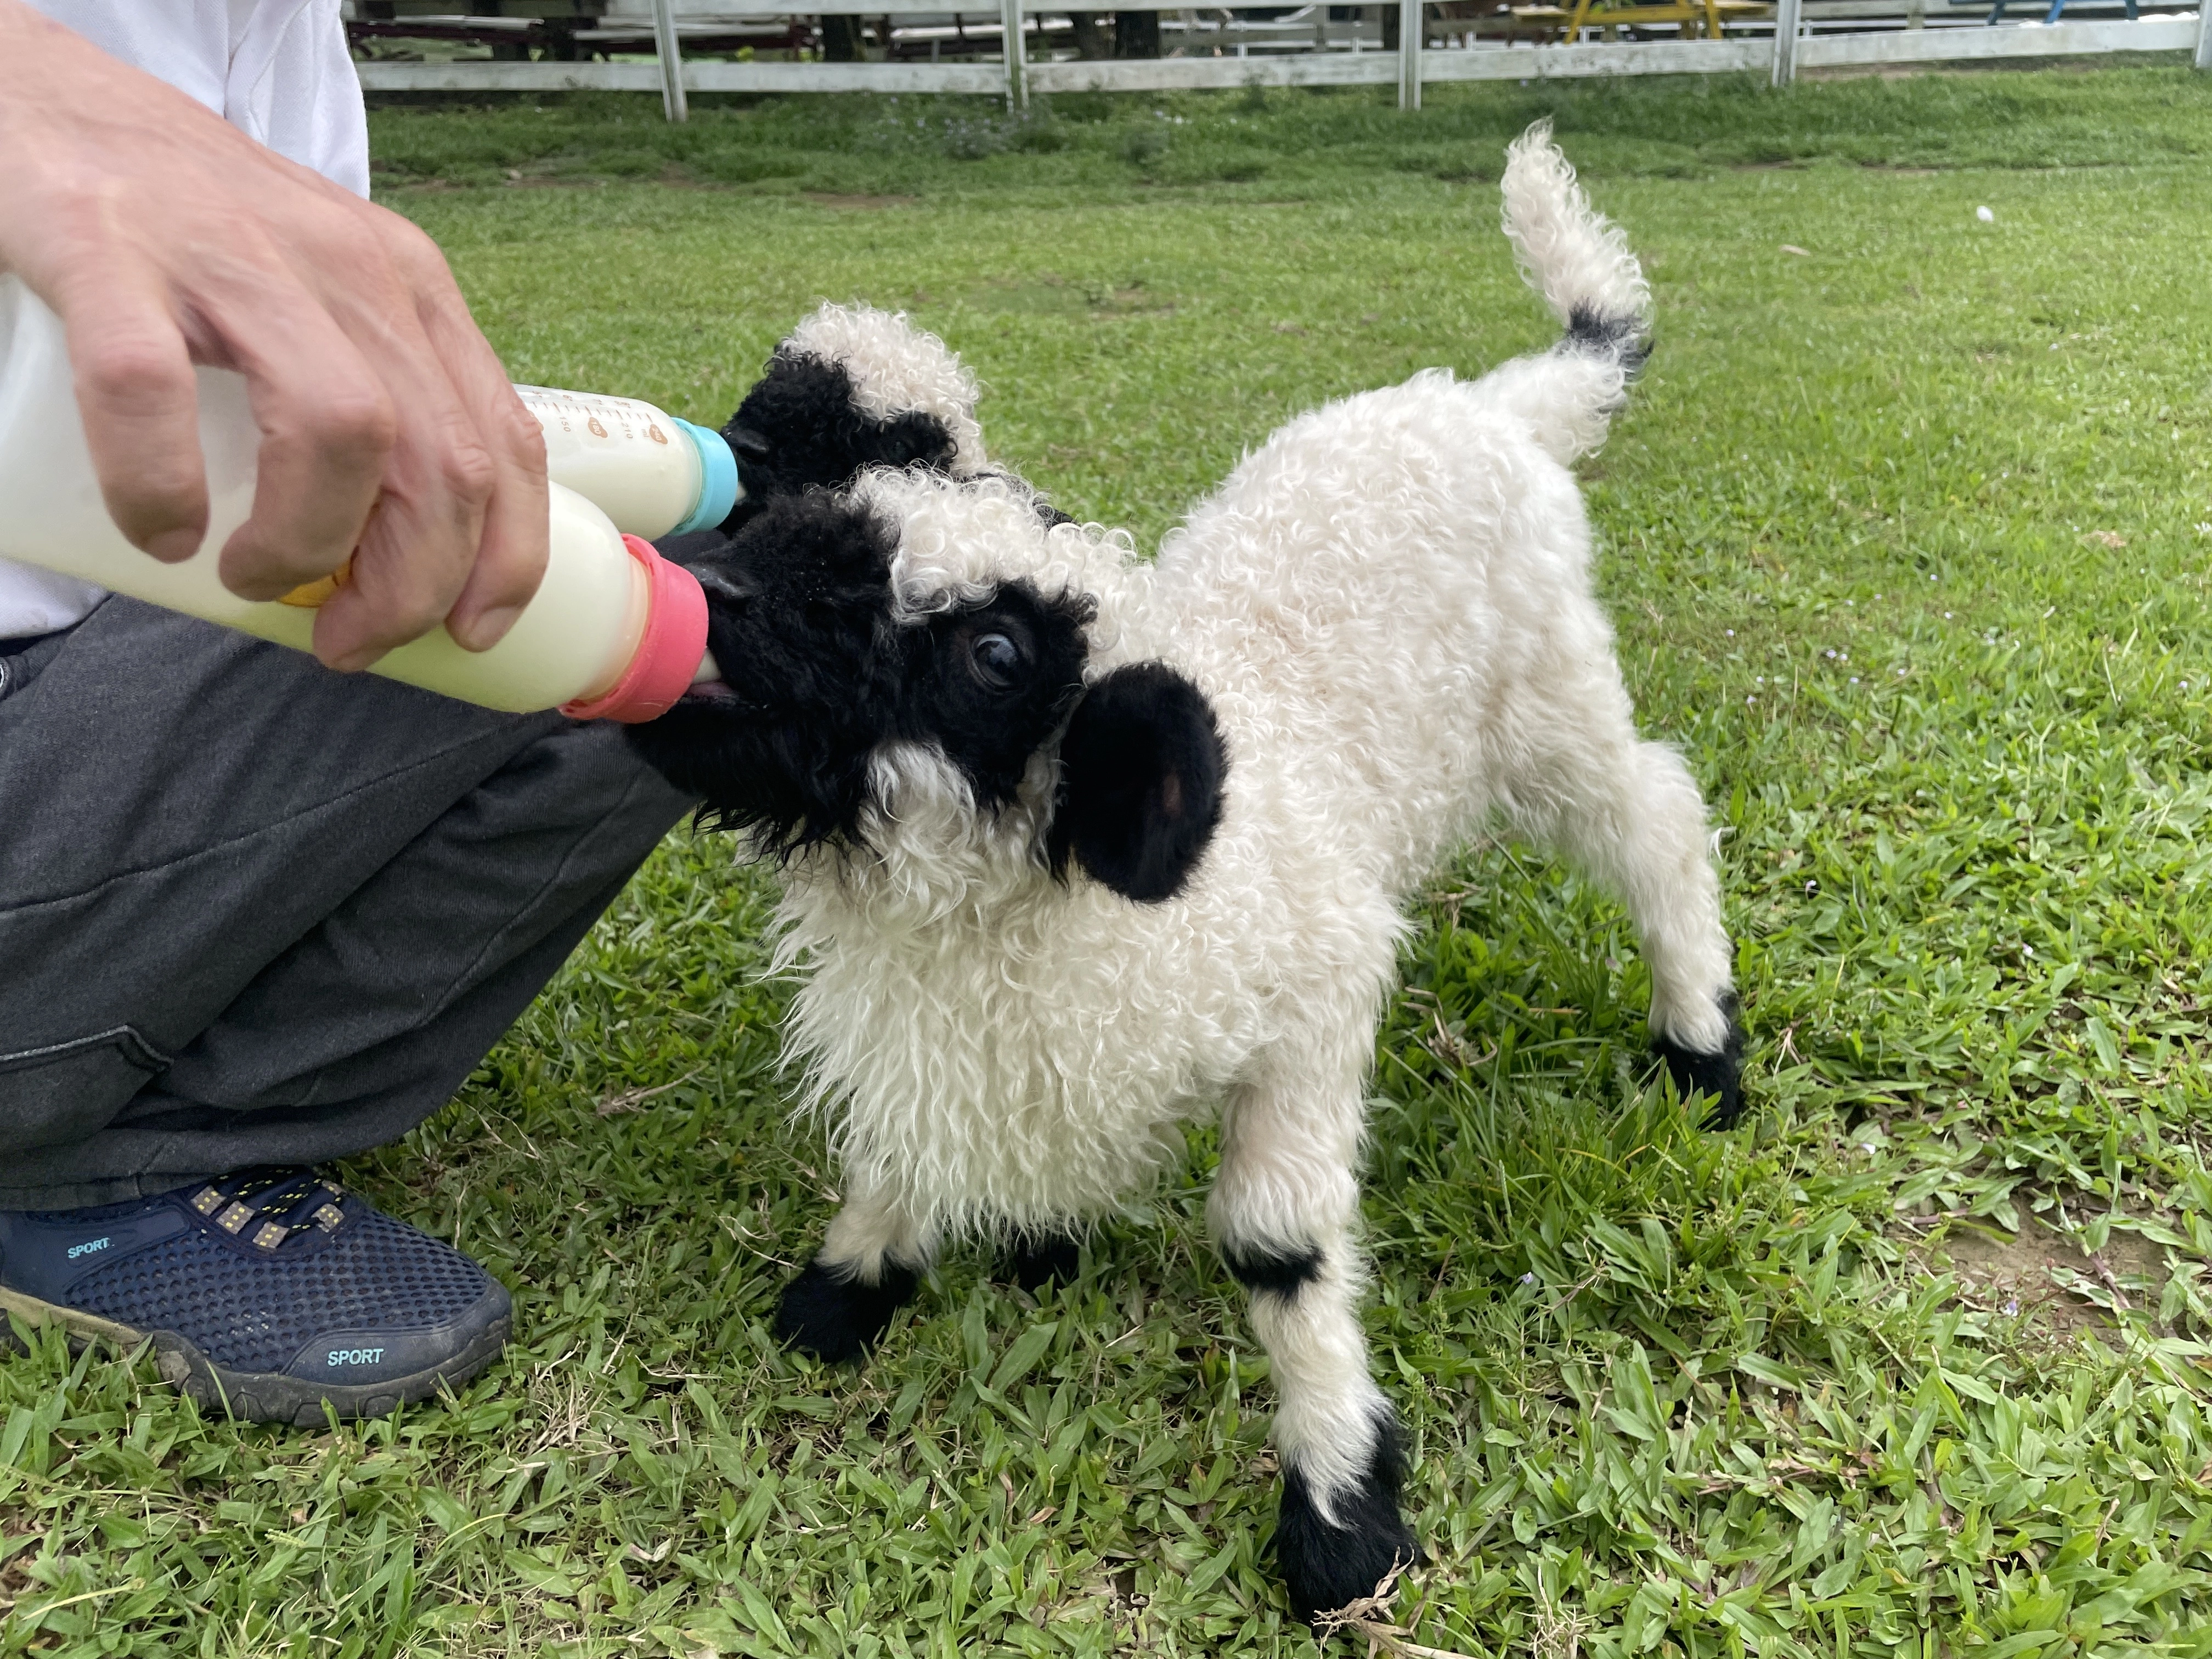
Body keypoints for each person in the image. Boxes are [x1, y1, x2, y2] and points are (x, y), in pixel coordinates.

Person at [0, 0, 695, 1424]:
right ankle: (64, 1162)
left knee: (674, 649)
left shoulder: (282, 30)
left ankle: (141, 1118)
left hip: (107, 662)